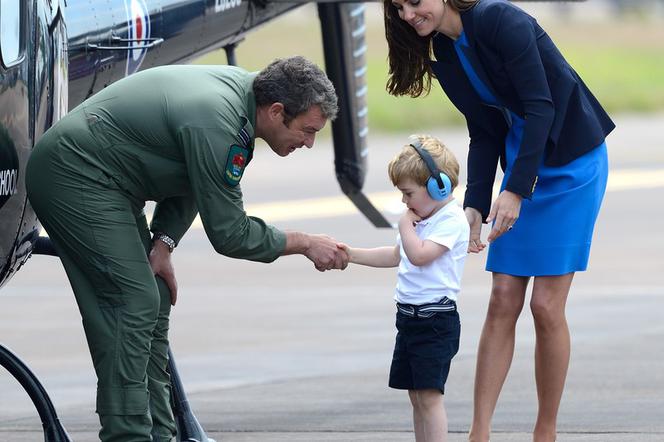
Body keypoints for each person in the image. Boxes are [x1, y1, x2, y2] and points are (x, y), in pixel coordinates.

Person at [25, 56, 348, 442]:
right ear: (277, 112)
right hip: (74, 174)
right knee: (133, 301)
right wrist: (305, 243)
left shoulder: (243, 101)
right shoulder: (218, 123)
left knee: (155, 294)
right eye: (307, 131)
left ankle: (162, 433)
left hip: (108, 182)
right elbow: (231, 233)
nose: (310, 143)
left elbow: (197, 177)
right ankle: (127, 434)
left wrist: (163, 242)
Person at [382, 0, 615, 441]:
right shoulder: (445, 54)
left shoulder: (500, 21)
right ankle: (479, 434)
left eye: (415, 2)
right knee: (503, 297)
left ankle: (545, 431)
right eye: (400, 8)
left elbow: (541, 106)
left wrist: (515, 189)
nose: (409, 15)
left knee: (546, 306)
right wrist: (475, 203)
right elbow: (484, 129)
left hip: (570, 164)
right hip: (522, 166)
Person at [340, 135, 469, 442]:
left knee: (430, 396)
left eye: (408, 193)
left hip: (434, 321)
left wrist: (403, 227)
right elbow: (398, 256)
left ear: (439, 187)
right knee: (416, 395)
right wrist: (351, 255)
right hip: (409, 319)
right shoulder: (420, 221)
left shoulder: (451, 220)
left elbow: (420, 255)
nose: (404, 202)